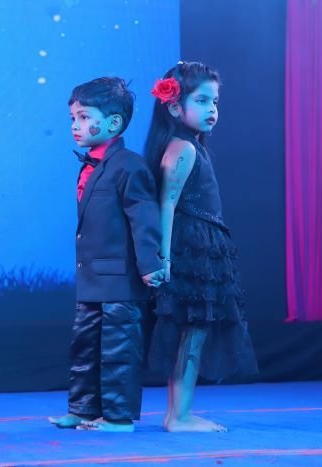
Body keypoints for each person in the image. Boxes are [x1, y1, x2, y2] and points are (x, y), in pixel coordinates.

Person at [144, 61, 258, 432]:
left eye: (215, 101)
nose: (212, 109)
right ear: (175, 107)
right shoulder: (183, 149)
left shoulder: (192, 146)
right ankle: (178, 416)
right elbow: (167, 203)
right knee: (191, 332)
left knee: (194, 332)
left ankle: (178, 413)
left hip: (200, 242)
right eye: (202, 100)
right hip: (192, 247)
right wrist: (163, 256)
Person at [49, 77, 164, 432]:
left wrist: (150, 264)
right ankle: (83, 409)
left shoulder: (129, 166)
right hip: (93, 279)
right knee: (85, 348)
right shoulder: (92, 165)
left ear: (113, 122)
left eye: (84, 117)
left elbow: (143, 218)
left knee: (118, 350)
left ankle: (117, 416)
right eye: (73, 118)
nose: (75, 125)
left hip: (120, 280)